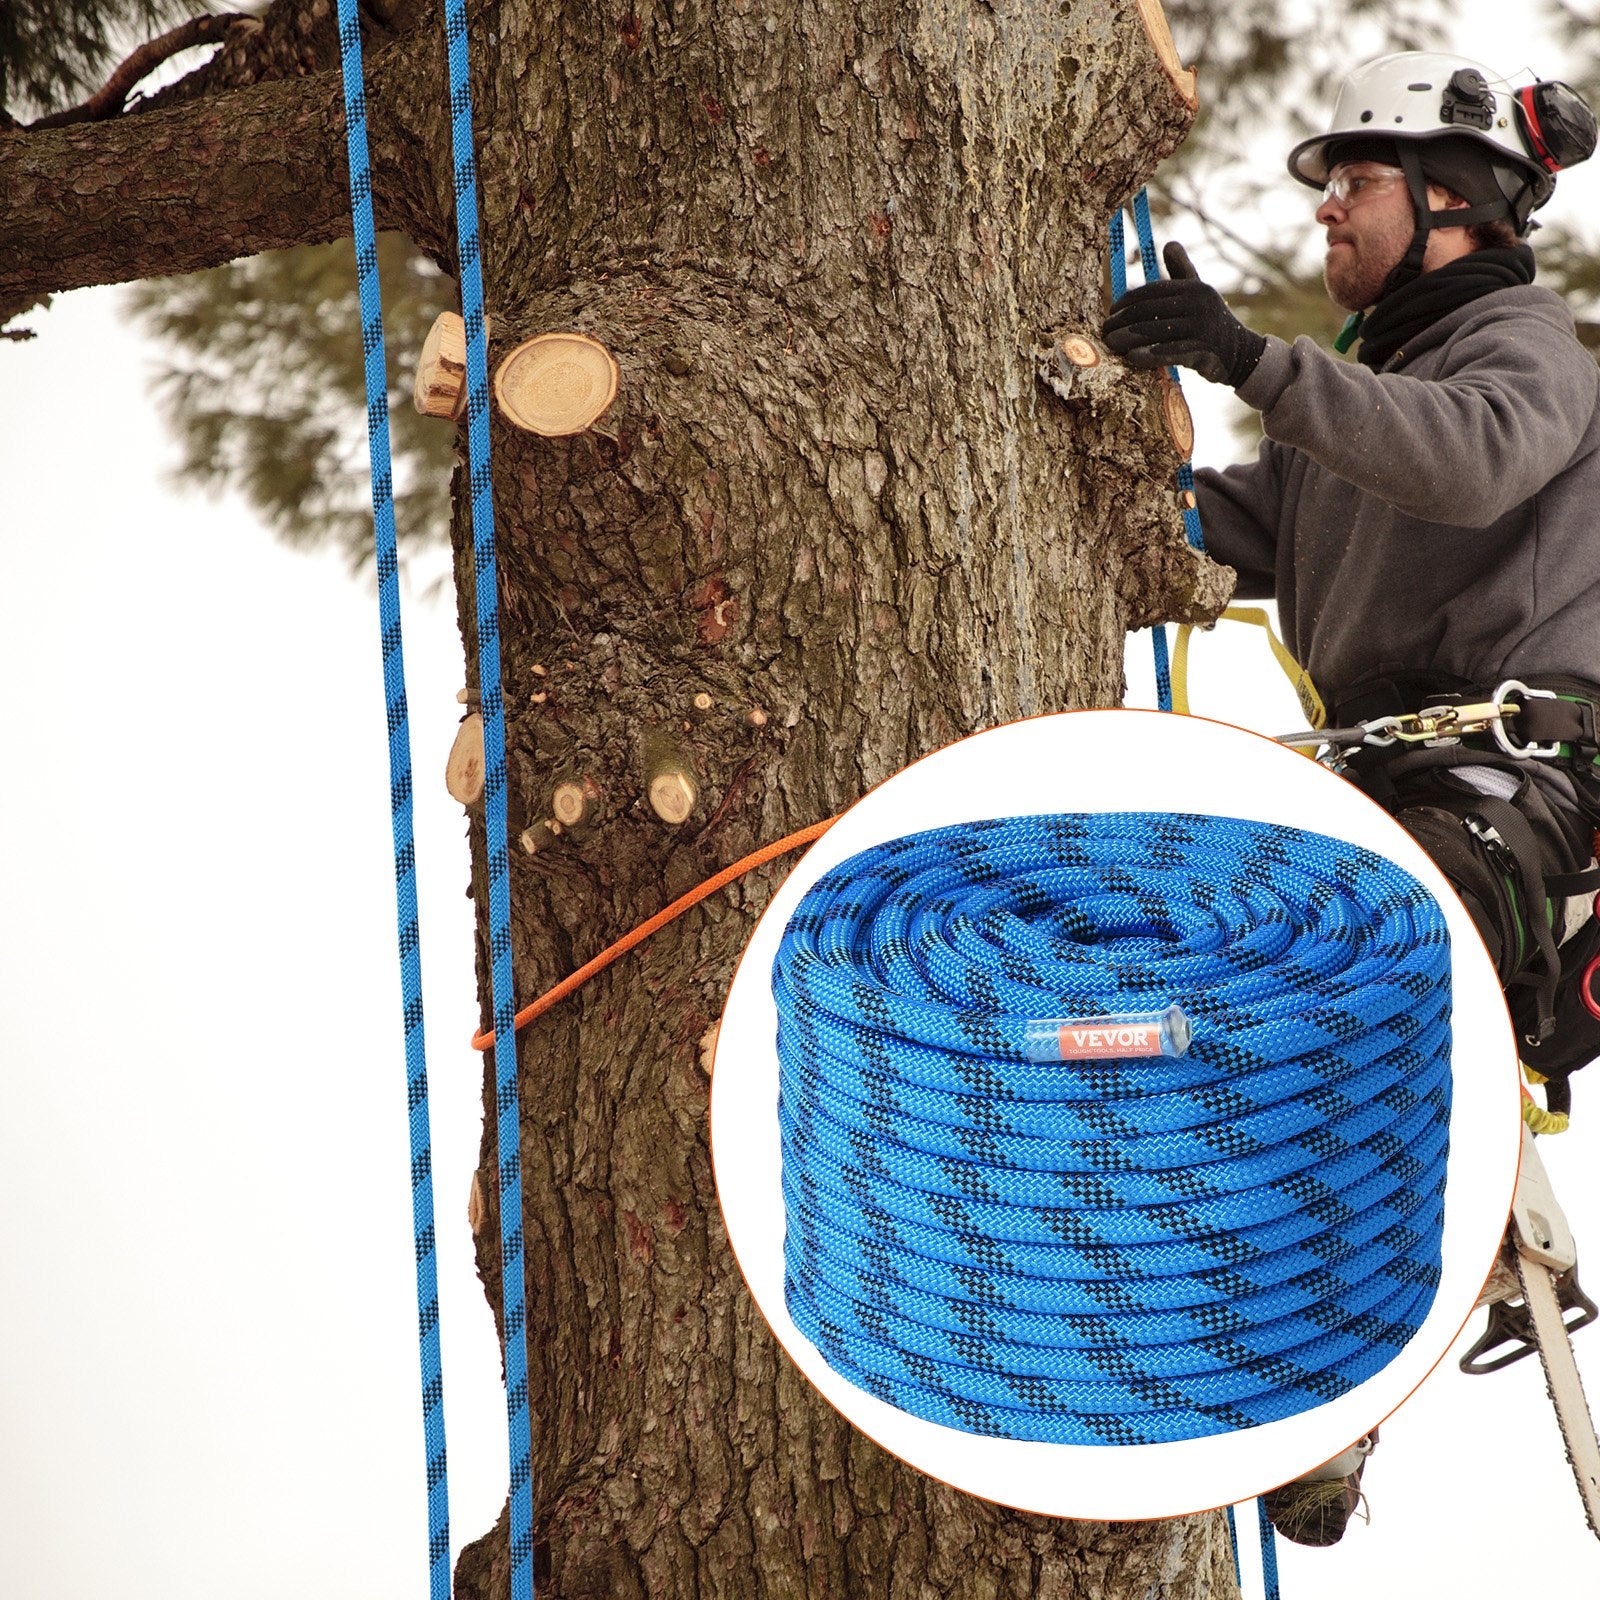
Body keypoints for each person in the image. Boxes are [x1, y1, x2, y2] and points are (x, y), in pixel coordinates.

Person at [1103, 51, 1600, 1546]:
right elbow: (1237, 527)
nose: (1324, 212)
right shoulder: (1368, 395)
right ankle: (1290, 1360)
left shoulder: (1531, 353)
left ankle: (1333, 1375)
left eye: (1353, 185)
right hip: (1395, 790)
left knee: (1327, 990)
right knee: (1219, 1013)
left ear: (1454, 202)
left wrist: (1256, 364)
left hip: (1524, 783)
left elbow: (1469, 467)